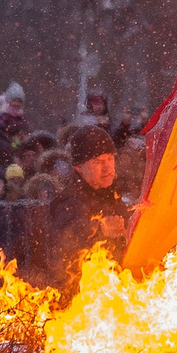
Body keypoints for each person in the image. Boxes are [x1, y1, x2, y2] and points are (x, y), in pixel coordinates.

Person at [40, 125, 131, 295]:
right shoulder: (69, 199)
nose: (107, 167)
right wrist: (100, 229)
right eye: (98, 161)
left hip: (113, 290)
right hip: (79, 295)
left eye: (110, 158)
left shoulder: (112, 195)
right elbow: (66, 237)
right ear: (79, 167)